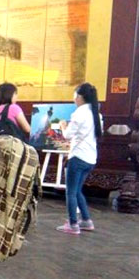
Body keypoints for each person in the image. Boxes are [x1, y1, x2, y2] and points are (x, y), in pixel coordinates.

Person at [56, 83, 103, 235]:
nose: (74, 99)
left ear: (80, 97)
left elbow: (67, 135)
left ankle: (73, 224)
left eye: (75, 95)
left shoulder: (79, 113)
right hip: (90, 158)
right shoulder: (96, 113)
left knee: (70, 192)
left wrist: (63, 125)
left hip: (77, 157)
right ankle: (86, 220)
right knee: (77, 191)